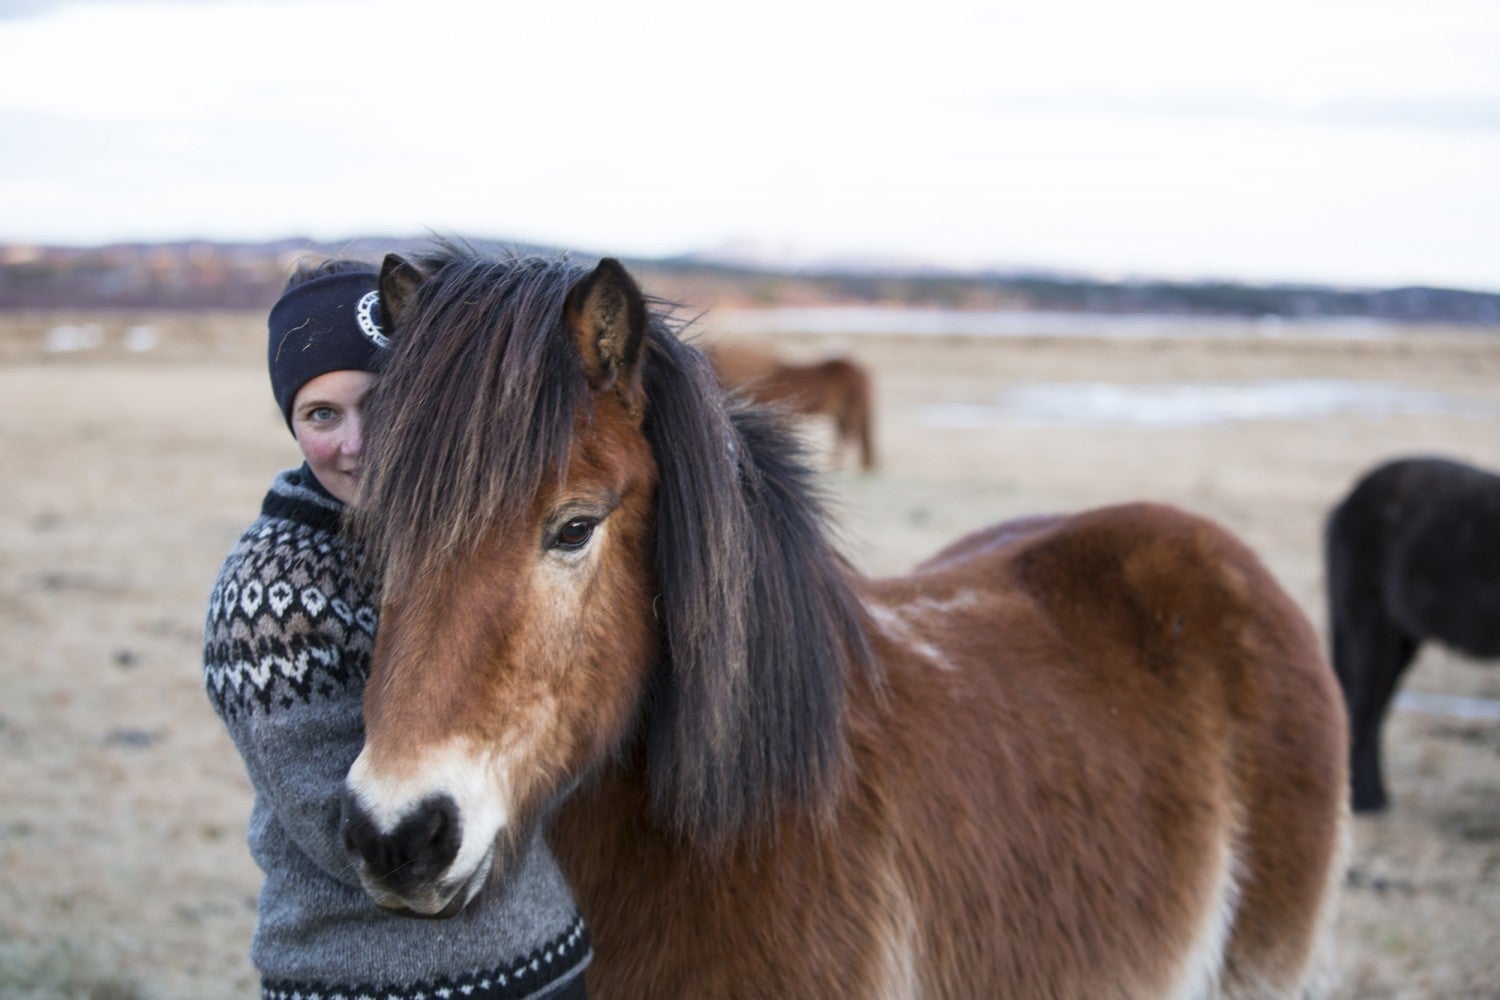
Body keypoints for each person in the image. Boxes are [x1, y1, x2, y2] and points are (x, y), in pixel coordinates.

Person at [202, 259, 590, 1000]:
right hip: (371, 983)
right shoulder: (269, 593)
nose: (358, 442)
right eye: (321, 415)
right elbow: (362, 841)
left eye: (381, 403)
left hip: (546, 964)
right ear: (292, 425)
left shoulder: (459, 543)